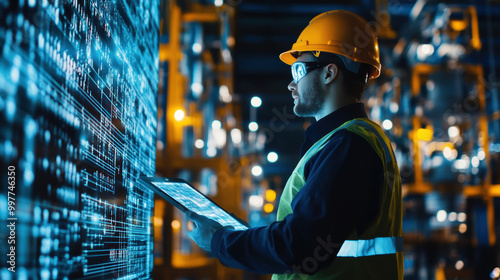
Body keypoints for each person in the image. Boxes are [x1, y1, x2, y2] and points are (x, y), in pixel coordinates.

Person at [186, 10, 403, 279]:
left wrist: (220, 241)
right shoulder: (345, 142)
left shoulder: (349, 146)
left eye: (298, 70)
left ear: (329, 73)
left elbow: (298, 244)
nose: (291, 84)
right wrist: (240, 235)